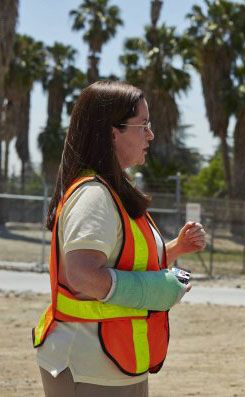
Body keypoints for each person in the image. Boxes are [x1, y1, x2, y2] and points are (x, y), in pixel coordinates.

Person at [32, 80, 206, 396]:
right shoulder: (94, 196)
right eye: (144, 125)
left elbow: (124, 260)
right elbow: (83, 275)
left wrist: (176, 249)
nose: (150, 135)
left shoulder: (112, 192)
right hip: (89, 364)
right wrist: (156, 290)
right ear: (113, 133)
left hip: (114, 362)